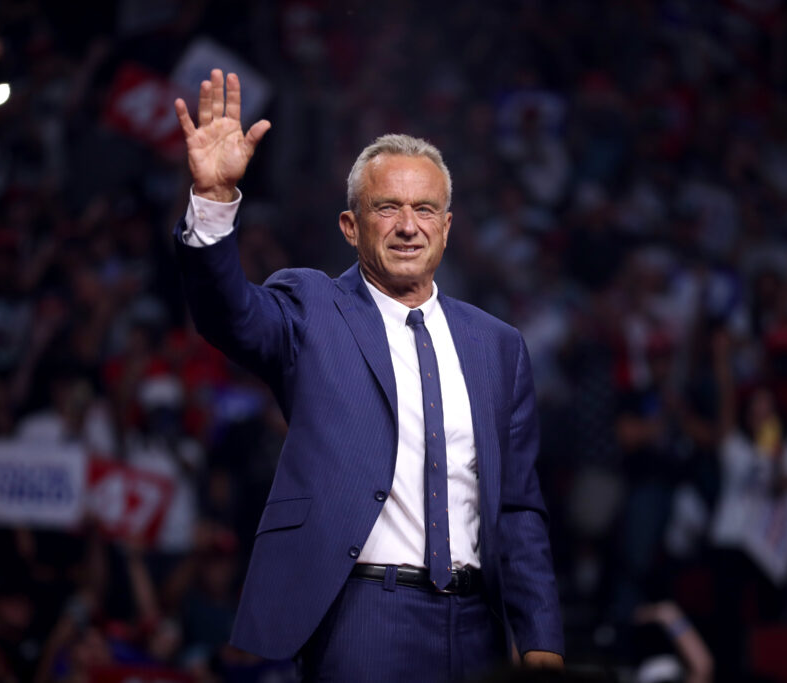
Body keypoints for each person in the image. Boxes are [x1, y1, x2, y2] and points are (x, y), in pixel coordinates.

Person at [170, 69, 564, 680]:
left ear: (447, 227)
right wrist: (215, 200)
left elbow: (517, 507)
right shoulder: (311, 308)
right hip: (361, 615)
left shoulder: (498, 346)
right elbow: (230, 316)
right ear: (351, 227)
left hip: (479, 627)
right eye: (388, 208)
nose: (409, 226)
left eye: (425, 209)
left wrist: (540, 639)